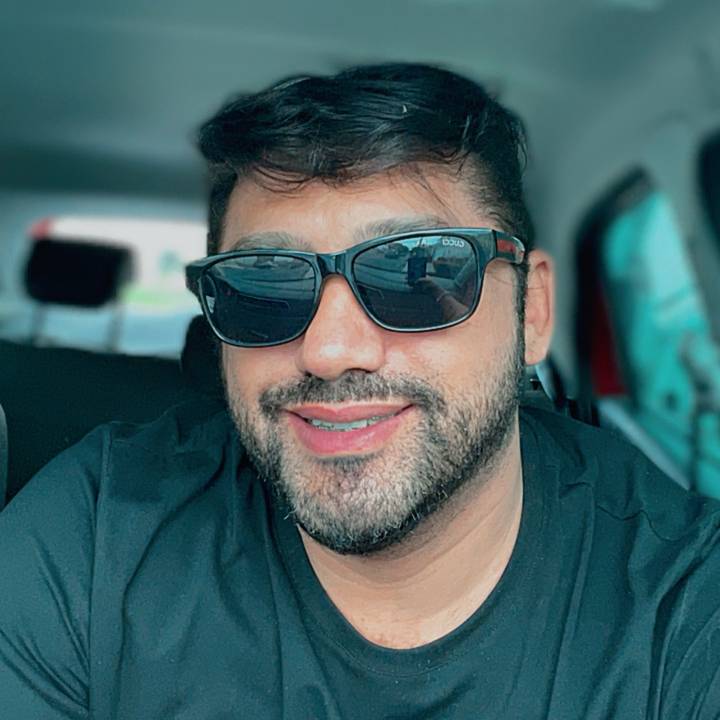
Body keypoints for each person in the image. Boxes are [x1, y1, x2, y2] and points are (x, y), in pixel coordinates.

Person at [1, 63, 719, 719]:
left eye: (419, 274)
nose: (330, 350)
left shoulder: (683, 603)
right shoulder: (94, 534)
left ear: (531, 312)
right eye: (264, 287)